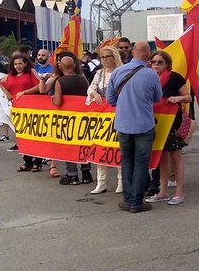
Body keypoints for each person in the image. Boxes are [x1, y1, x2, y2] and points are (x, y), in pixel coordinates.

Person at [105, 42, 164, 213]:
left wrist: (124, 104)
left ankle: (127, 199)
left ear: (132, 52)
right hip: (144, 124)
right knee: (141, 163)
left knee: (126, 161)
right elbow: (157, 97)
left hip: (123, 124)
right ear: (147, 54)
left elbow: (110, 99)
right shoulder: (151, 75)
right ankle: (137, 202)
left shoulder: (117, 72)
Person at [145, 50, 192, 205]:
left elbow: (188, 97)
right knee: (161, 158)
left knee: (175, 156)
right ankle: (163, 191)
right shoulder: (148, 77)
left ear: (167, 64)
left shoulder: (175, 77)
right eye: (153, 61)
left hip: (172, 122)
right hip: (155, 122)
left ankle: (179, 192)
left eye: (160, 62)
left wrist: (178, 98)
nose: (156, 64)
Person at [85, 46, 123, 196]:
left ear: (114, 57)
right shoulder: (99, 74)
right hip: (102, 116)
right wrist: (94, 93)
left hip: (117, 114)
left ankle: (121, 182)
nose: (105, 59)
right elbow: (90, 88)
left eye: (108, 56)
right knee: (100, 148)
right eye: (103, 57)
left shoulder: (121, 72)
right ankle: (101, 182)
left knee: (117, 148)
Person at [52, 53, 94, 186]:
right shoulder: (82, 79)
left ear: (60, 67)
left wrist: (52, 99)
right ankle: (86, 173)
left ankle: (72, 175)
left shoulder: (60, 81)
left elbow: (57, 102)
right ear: (75, 65)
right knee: (83, 145)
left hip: (67, 118)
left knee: (69, 146)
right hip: (82, 117)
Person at [1, 54, 42, 172]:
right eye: (15, 64)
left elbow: (40, 86)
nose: (18, 66)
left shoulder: (31, 73)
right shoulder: (10, 76)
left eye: (20, 64)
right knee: (22, 136)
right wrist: (7, 93)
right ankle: (27, 161)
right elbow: (0, 82)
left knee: (34, 136)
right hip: (18, 110)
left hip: (32, 108)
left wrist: (25, 92)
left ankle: (37, 162)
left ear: (25, 64)